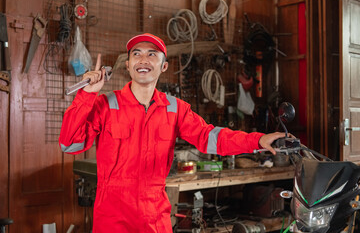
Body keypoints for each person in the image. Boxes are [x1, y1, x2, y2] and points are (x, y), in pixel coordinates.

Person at [59, 33, 288, 233]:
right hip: (112, 216)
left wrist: (257, 139)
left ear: (164, 66)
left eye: (152, 54)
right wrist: (86, 95)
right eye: (136, 54)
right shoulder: (106, 104)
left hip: (154, 216)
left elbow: (210, 138)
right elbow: (69, 144)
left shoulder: (175, 108)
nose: (143, 60)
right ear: (127, 65)